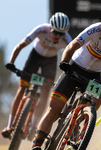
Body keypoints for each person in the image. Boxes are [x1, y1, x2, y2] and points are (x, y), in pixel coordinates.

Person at [31, 5, 101, 150]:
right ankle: (37, 144)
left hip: (93, 75)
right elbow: (73, 45)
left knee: (100, 96)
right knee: (54, 109)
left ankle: (80, 122)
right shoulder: (97, 29)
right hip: (75, 67)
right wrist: (65, 62)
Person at [1, 12, 72, 140]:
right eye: (56, 32)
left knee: (45, 92)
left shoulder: (67, 39)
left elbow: (73, 56)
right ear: (50, 28)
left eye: (62, 34)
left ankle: (34, 127)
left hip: (50, 62)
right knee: (21, 89)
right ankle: (10, 125)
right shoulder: (41, 29)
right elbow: (20, 45)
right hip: (35, 57)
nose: (58, 36)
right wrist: (11, 62)